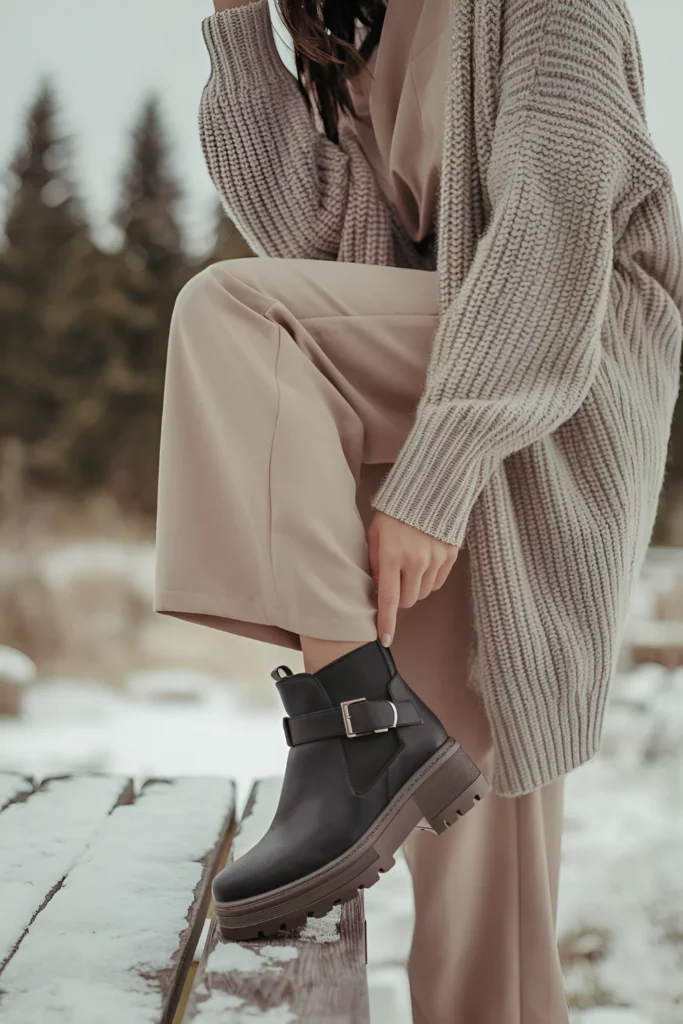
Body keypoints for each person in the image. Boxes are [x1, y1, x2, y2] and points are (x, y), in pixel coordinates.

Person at [154, 0, 683, 1019]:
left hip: (556, 367)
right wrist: (234, 27)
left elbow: (551, 229)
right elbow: (319, 242)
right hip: (429, 374)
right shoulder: (355, 21)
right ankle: (365, 723)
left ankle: (356, 724)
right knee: (463, 820)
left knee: (483, 890)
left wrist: (439, 475)